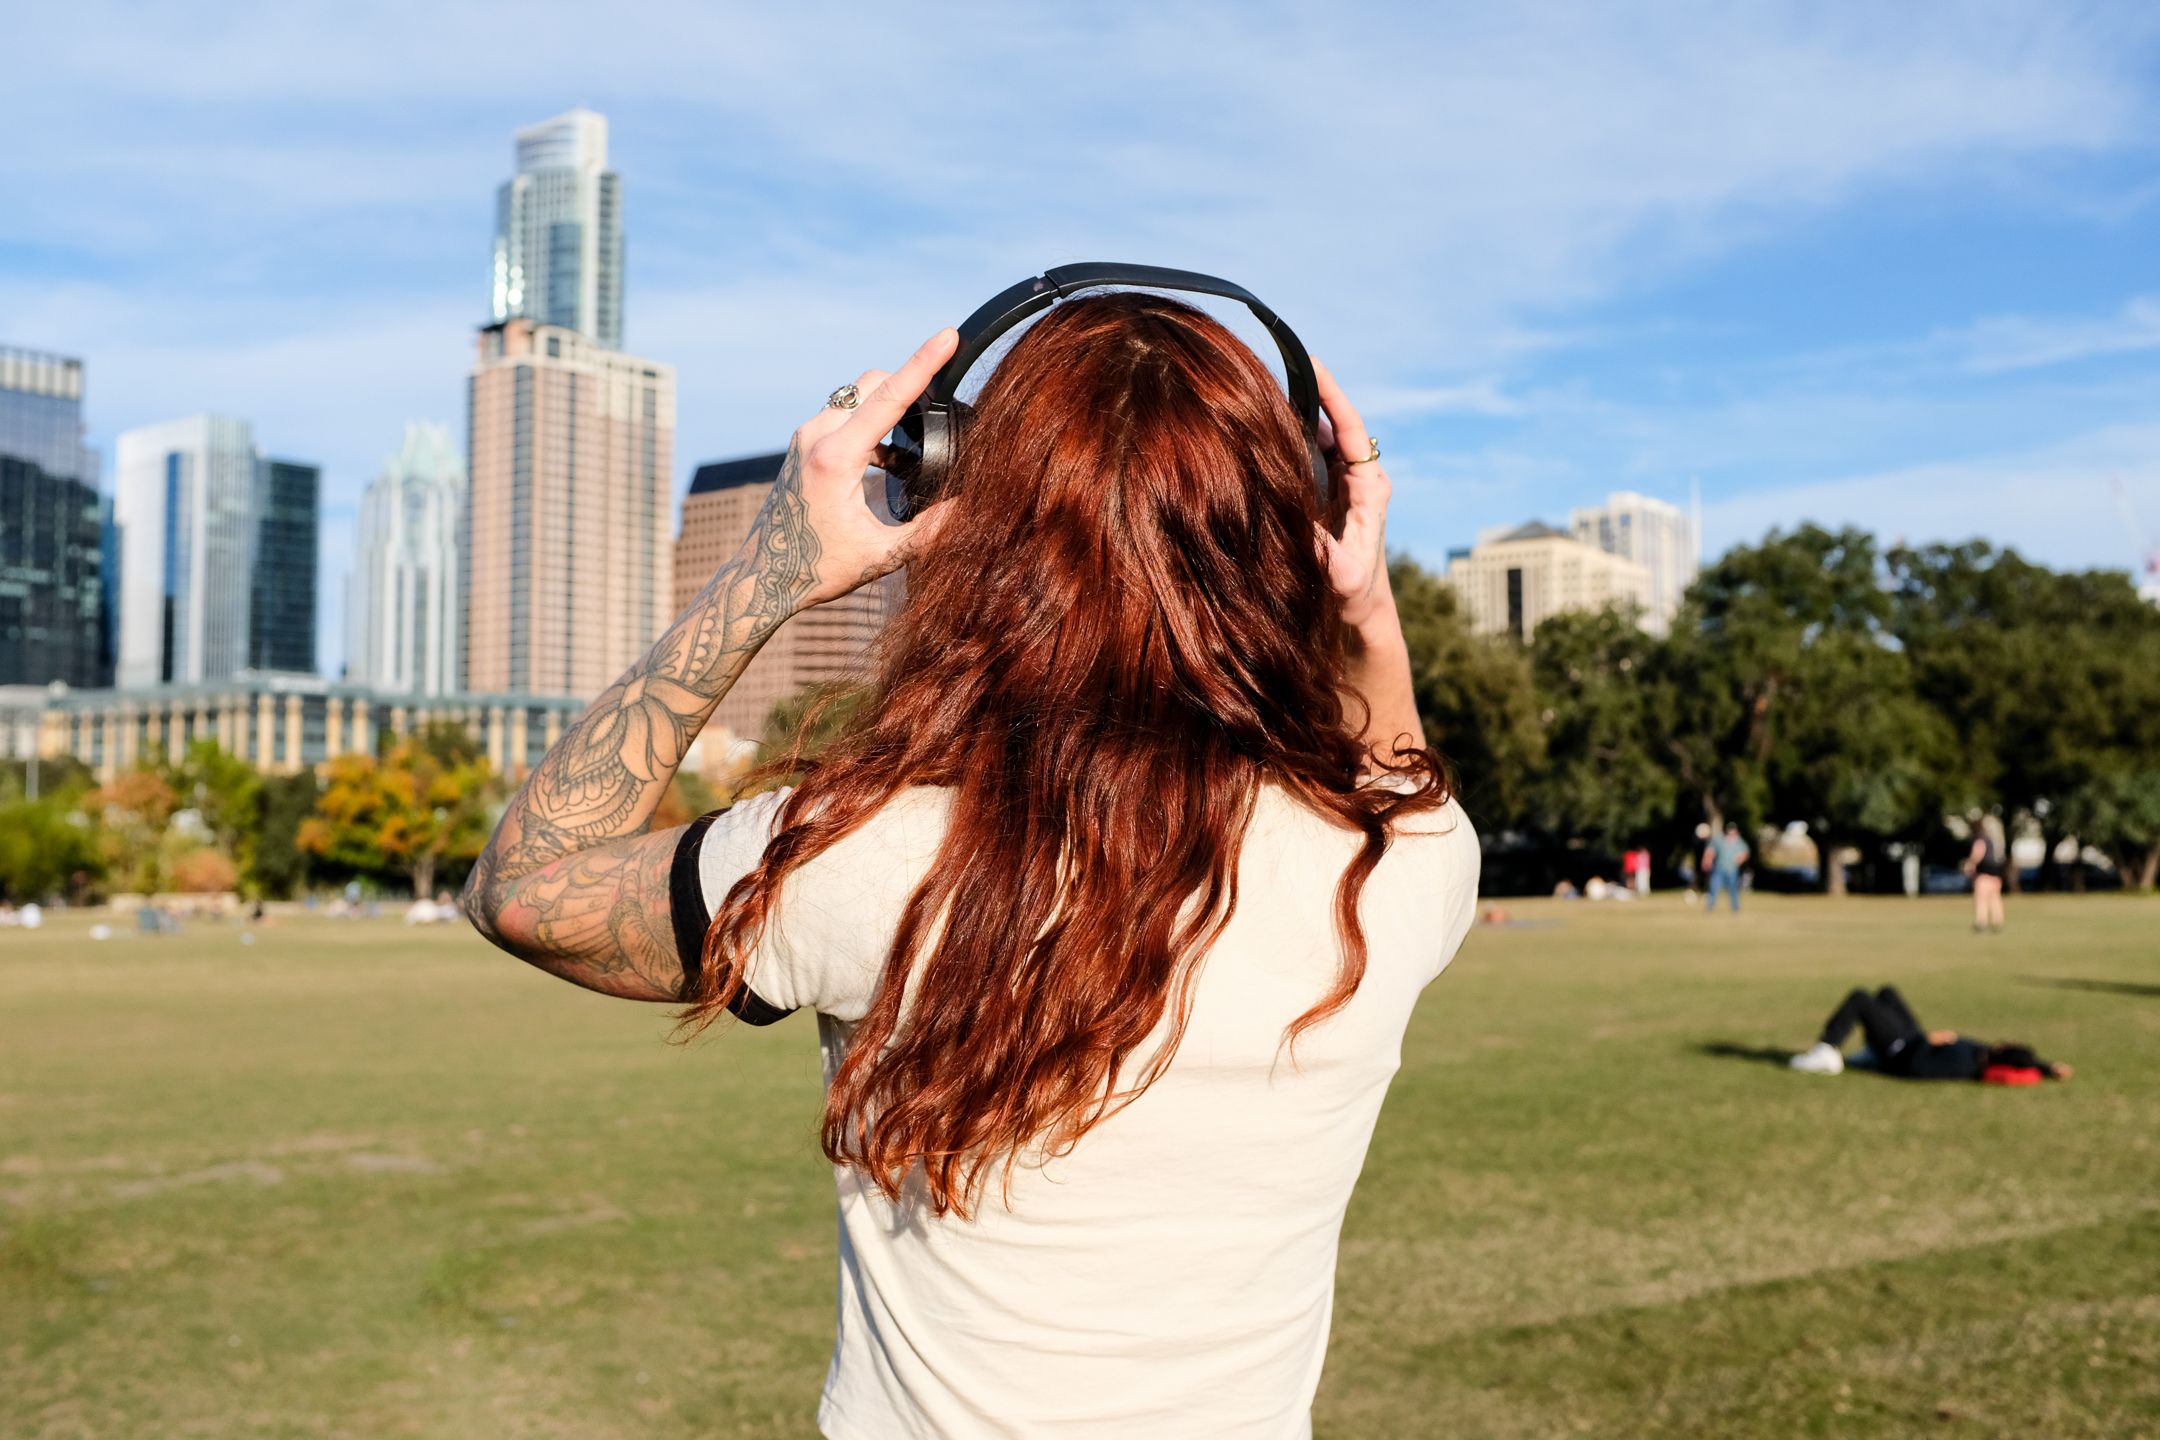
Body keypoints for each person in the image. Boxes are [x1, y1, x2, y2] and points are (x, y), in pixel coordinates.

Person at [462, 286, 1480, 1438]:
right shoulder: (1402, 864)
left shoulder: (862, 851)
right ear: (1296, 519)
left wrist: (772, 567)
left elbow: (524, 887)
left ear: (965, 507)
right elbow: (1395, 775)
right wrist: (1367, 606)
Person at [1789, 985, 2071, 1081]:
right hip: (1911, 1040)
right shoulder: (1982, 1052)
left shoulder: (1965, 1064)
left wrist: (1927, 1041)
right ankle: (1870, 1052)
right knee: (1888, 993)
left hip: (1900, 1052)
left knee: (1861, 998)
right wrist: (2047, 1068)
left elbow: (1917, 1068)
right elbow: (2025, 1061)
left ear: (2003, 1053)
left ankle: (1826, 1051)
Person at [1964, 813, 2008, 933]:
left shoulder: (1980, 838)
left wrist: (1970, 863)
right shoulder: (1991, 839)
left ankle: (1981, 921)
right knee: (1995, 898)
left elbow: (1978, 852)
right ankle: (1998, 921)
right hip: (1996, 873)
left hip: (1984, 873)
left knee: (1981, 898)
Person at [1701, 821, 1750, 914]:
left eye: (1733, 831)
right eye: (1729, 831)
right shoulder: (1720, 840)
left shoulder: (1739, 842)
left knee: (1733, 889)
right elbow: (1710, 850)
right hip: (1719, 868)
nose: (1731, 833)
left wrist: (1740, 860)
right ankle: (1710, 906)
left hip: (1732, 870)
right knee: (1713, 887)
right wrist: (1707, 860)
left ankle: (1735, 907)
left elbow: (1745, 853)